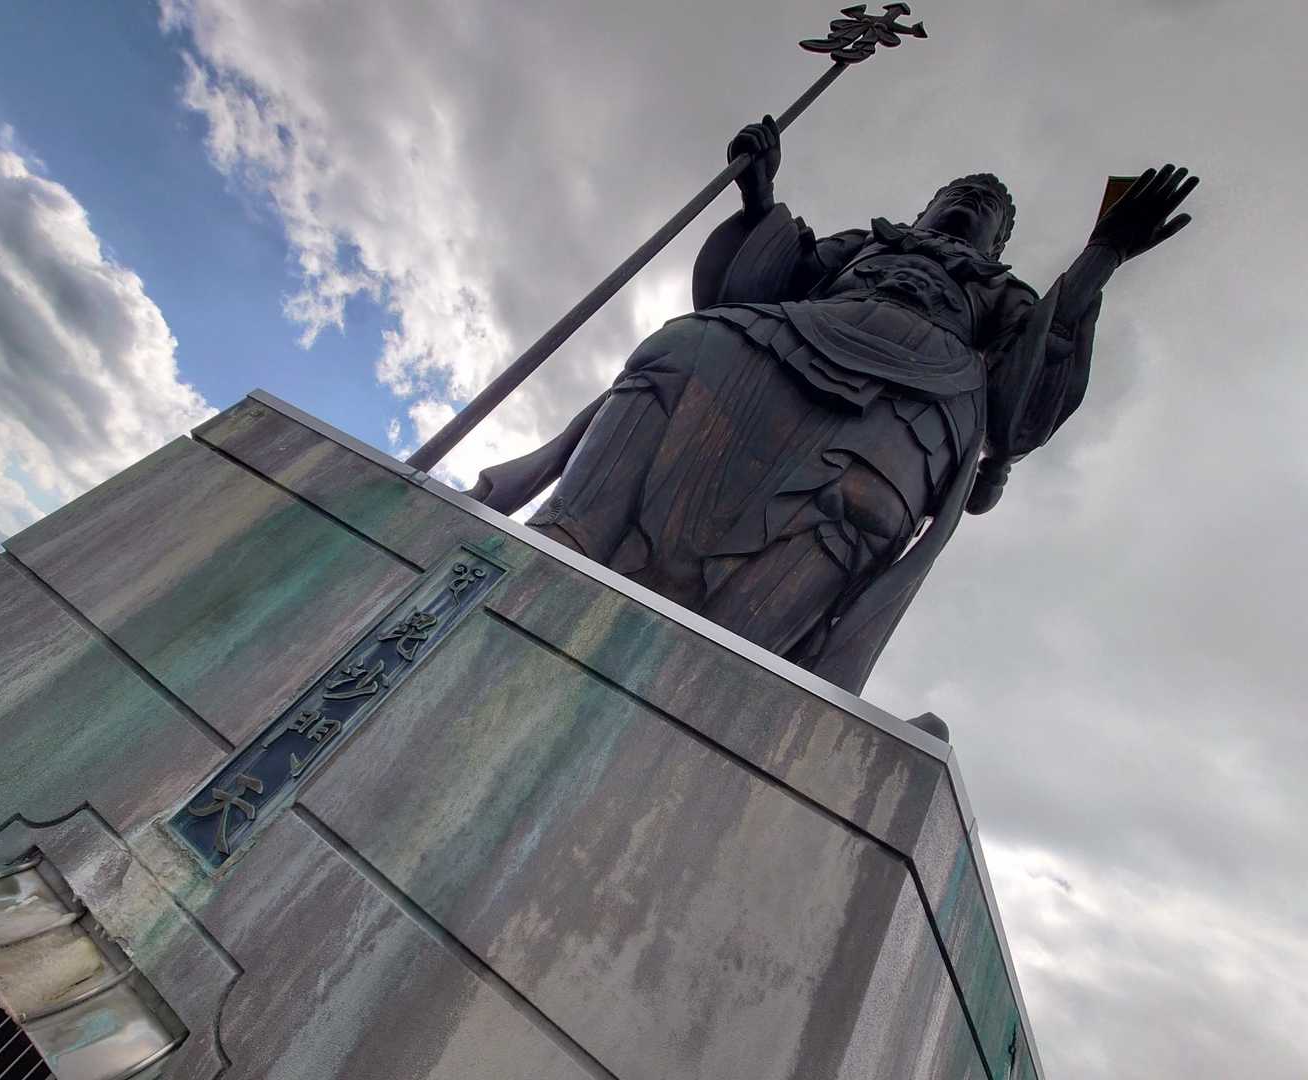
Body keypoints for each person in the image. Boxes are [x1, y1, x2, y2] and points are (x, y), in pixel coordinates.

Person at [471, 117, 1196, 695]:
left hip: (924, 388)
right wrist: (758, 197)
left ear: (999, 239)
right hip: (795, 332)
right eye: (962, 192)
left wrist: (1102, 254)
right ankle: (568, 535)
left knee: (865, 499)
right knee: (683, 349)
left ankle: (733, 660)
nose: (972, 202)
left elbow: (1024, 395)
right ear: (925, 207)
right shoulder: (865, 247)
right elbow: (763, 282)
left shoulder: (1001, 291)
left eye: (989, 207)